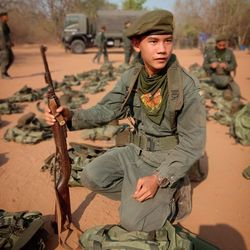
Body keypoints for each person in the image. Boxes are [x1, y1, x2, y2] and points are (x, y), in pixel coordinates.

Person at [45, 9, 206, 232]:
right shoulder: (132, 77)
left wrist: (159, 178)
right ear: (137, 44)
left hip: (165, 160)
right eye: (153, 41)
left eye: (167, 41)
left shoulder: (185, 85)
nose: (162, 49)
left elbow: (193, 144)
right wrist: (70, 115)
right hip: (135, 152)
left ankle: (174, 190)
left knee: (133, 223)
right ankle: (140, 197)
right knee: (90, 176)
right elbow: (107, 110)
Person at [202, 34, 241, 100]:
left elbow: (234, 65)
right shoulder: (210, 52)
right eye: (220, 45)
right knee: (202, 91)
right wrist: (211, 65)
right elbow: (204, 65)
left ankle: (226, 94)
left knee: (237, 93)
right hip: (213, 77)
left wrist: (227, 66)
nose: (222, 47)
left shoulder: (229, 52)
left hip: (226, 78)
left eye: (224, 45)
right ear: (216, 44)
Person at [0, 11, 14, 79]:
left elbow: (7, 35)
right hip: (3, 46)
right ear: (2, 17)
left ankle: (5, 72)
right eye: (6, 16)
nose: (7, 17)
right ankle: (3, 74)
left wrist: (10, 42)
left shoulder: (5, 24)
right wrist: (6, 43)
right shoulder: (1, 25)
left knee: (11, 58)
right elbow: (2, 36)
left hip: (6, 45)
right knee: (5, 59)